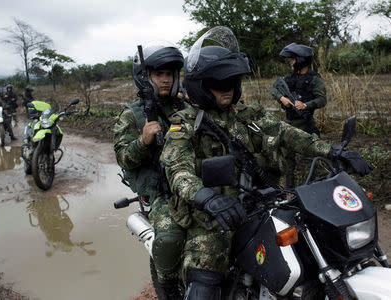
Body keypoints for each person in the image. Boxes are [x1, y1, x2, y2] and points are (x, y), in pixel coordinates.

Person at [159, 27, 372, 300]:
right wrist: (206, 197)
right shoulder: (183, 125)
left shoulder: (249, 115)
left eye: (233, 82)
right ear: (199, 85)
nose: (228, 89)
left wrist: (332, 151)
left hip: (258, 202)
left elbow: (288, 133)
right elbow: (178, 170)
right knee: (206, 274)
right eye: (220, 83)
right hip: (212, 216)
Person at [112, 42, 186, 299]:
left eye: (170, 74)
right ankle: (168, 290)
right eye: (159, 74)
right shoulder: (132, 114)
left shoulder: (184, 107)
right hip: (159, 192)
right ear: (146, 77)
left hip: (190, 182)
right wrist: (142, 141)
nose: (166, 80)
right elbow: (123, 157)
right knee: (169, 239)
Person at [271, 43, 328, 187]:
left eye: (293, 59)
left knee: (307, 161)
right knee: (287, 159)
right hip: (288, 122)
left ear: (301, 60)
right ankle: (289, 190)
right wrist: (282, 99)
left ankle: (307, 190)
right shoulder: (289, 78)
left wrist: (305, 105)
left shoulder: (314, 79)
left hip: (305, 124)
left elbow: (322, 100)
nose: (291, 62)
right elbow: (274, 89)